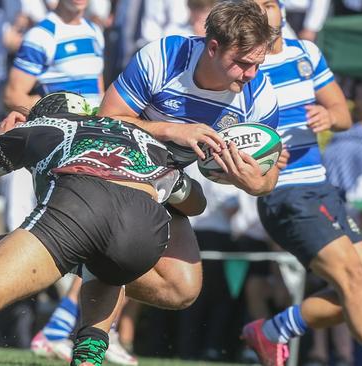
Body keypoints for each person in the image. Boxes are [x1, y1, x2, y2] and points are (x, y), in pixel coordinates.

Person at [0, 91, 209, 366]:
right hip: (144, 229)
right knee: (101, 263)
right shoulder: (138, 135)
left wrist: (2, 140)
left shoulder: (43, 127)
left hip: (80, 208)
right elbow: (195, 201)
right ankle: (89, 357)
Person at [97, 0, 283, 330]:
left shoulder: (260, 94)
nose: (252, 74)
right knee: (128, 249)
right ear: (213, 47)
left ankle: (85, 260)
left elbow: (267, 180)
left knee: (181, 288)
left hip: (166, 183)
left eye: (258, 63)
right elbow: (104, 120)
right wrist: (171, 130)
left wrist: (253, 182)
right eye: (242, 63)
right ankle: (90, 334)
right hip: (112, 169)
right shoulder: (166, 57)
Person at [241, 2, 362, 366]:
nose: (262, 8)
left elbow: (344, 115)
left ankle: (271, 332)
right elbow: (230, 136)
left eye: (268, 2)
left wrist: (329, 114)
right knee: (352, 280)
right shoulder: (244, 69)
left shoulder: (306, 53)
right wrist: (257, 157)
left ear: (281, 10)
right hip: (284, 192)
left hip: (321, 189)